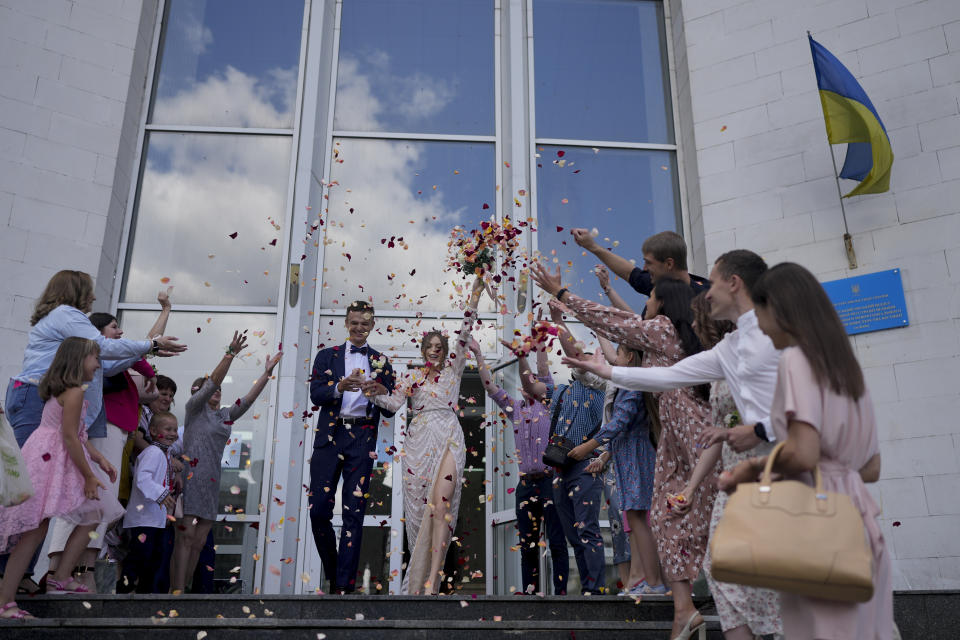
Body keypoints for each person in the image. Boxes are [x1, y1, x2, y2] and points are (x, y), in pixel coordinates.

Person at [718, 262, 893, 640]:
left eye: (760, 314)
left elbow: (803, 453)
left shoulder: (796, 359)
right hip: (858, 521)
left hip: (816, 528)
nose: (761, 327)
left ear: (777, 311)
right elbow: (872, 467)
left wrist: (751, 470)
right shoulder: (848, 369)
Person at [553, 275, 717, 640]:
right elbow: (611, 355)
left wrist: (592, 445)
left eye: (652, 298)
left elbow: (623, 414)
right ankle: (674, 601)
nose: (646, 306)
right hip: (658, 450)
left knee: (650, 515)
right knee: (649, 516)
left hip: (668, 449)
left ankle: (658, 584)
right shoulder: (643, 366)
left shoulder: (651, 367)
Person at [1, 272, 183, 593]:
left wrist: (148, 349)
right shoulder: (66, 315)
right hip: (35, 399)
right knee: (31, 496)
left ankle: (24, 576)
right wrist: (150, 344)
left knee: (44, 501)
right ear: (77, 291)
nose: (93, 298)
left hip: (50, 408)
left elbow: (108, 357)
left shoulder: (76, 337)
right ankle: (16, 577)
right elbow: (101, 347)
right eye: (90, 292)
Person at [540, 250, 780, 453]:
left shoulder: (778, 335)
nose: (707, 292)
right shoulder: (729, 345)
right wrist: (606, 371)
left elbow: (806, 407)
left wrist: (760, 431)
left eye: (713, 283)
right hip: (707, 448)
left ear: (735, 284)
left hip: (778, 462)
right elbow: (668, 376)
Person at [669, 293, 782, 640]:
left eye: (696, 319)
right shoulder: (719, 369)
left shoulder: (757, 358)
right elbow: (717, 437)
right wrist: (690, 487)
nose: (692, 327)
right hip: (731, 481)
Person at [371, 277, 485, 595]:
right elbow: (392, 403)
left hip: (448, 434)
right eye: (430, 347)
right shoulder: (411, 377)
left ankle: (434, 578)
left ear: (446, 352)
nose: (435, 351)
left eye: (440, 347)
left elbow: (464, 334)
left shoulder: (454, 372)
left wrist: (474, 295)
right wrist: (372, 393)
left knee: (443, 503)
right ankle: (421, 577)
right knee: (427, 512)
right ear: (423, 351)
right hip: (419, 441)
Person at [0, 338, 124, 619]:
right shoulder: (74, 392)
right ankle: (5, 600)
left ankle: (61, 576)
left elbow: (78, 436)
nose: (97, 364)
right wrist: (89, 477)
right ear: (79, 360)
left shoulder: (72, 391)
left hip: (51, 455)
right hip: (51, 460)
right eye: (94, 357)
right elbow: (68, 437)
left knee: (93, 512)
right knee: (36, 529)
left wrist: (99, 458)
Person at [45, 311, 161, 591]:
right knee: (85, 500)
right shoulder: (100, 360)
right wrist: (150, 355)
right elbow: (143, 351)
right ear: (95, 332)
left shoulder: (109, 361)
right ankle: (60, 571)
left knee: (98, 504)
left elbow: (144, 366)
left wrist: (150, 366)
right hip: (102, 430)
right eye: (114, 327)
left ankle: (81, 569)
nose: (120, 333)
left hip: (115, 432)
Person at [170, 331, 281, 593]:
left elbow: (249, 400)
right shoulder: (194, 409)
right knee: (185, 538)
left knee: (198, 542)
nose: (217, 390)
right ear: (199, 391)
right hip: (191, 477)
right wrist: (230, 353)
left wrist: (267, 374)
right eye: (212, 388)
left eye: (220, 389)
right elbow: (212, 381)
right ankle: (174, 591)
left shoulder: (224, 416)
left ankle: (184, 588)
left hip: (211, 481)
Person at [308, 300, 396, 594]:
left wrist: (383, 392)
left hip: (361, 439)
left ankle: (343, 587)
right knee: (318, 510)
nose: (359, 327)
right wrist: (339, 387)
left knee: (353, 513)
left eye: (365, 323)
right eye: (354, 322)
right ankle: (334, 572)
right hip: (329, 439)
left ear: (372, 326)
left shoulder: (382, 361)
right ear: (347, 323)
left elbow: (390, 410)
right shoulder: (326, 356)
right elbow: (316, 395)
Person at [468, 336, 568, 596]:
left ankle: (561, 595)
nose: (528, 384)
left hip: (550, 480)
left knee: (556, 541)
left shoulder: (550, 402)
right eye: (527, 381)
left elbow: (543, 371)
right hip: (526, 484)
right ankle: (530, 593)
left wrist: (531, 350)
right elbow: (490, 387)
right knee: (528, 544)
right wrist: (479, 355)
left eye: (532, 381)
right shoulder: (515, 409)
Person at [569, 339, 662, 597]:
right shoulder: (627, 382)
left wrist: (589, 446)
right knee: (633, 517)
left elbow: (619, 421)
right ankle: (642, 578)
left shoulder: (632, 385)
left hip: (636, 454)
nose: (614, 359)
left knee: (638, 517)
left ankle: (654, 581)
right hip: (626, 455)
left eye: (618, 354)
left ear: (630, 358)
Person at [538, 305, 606, 595]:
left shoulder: (600, 387)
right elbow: (537, 382)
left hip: (586, 465)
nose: (583, 362)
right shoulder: (564, 391)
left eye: (588, 359)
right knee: (571, 533)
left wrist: (558, 322)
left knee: (588, 530)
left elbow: (576, 355)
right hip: (559, 468)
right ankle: (587, 592)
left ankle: (596, 590)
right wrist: (529, 351)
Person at [118, 411, 178, 594]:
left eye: (175, 430)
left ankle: (145, 594)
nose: (173, 433)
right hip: (143, 519)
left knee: (154, 559)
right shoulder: (153, 453)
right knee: (140, 556)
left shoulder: (164, 454)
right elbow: (142, 479)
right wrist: (161, 494)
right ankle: (124, 590)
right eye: (167, 429)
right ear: (152, 431)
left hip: (154, 519)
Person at [571, 229, 709, 297]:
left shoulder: (707, 297)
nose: (644, 268)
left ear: (669, 264)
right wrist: (592, 246)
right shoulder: (659, 285)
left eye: (649, 263)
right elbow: (631, 273)